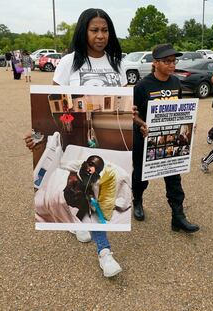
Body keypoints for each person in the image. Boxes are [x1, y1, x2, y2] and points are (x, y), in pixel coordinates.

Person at [24, 8, 127, 278]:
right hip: (75, 135)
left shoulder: (118, 62)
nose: (100, 35)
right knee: (86, 186)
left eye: (105, 30)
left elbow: (125, 102)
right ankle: (105, 252)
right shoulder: (69, 62)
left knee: (97, 186)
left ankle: (80, 221)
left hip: (103, 136)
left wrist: (137, 121)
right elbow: (53, 101)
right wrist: (39, 134)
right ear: (84, 31)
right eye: (94, 30)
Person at [132, 43, 199, 233]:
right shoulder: (142, 86)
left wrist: (189, 122)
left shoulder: (176, 83)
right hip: (145, 139)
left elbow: (178, 108)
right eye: (167, 61)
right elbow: (132, 113)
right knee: (140, 176)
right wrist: (142, 124)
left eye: (173, 61)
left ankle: (178, 217)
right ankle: (137, 200)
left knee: (173, 178)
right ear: (155, 63)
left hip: (171, 138)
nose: (171, 65)